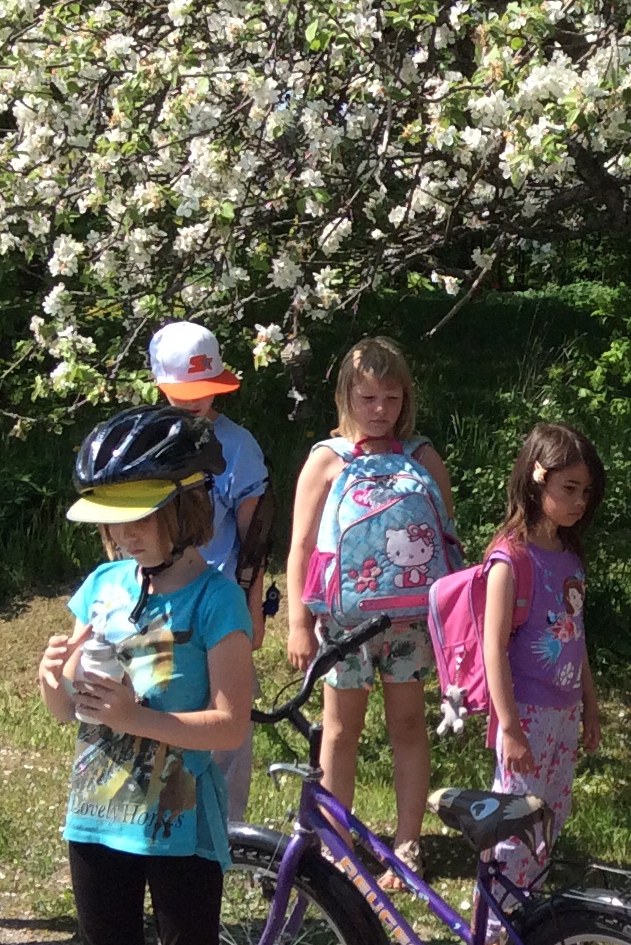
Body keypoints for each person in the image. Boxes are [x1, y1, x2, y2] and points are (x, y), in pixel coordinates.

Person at [36, 408, 256, 945]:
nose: (120, 536)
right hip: (97, 815)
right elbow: (69, 710)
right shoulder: (102, 588)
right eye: (110, 522)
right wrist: (53, 682)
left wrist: (137, 717)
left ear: (185, 508)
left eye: (136, 519)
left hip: (180, 826)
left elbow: (230, 723)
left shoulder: (216, 601)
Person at [282, 335, 456, 875]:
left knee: (409, 725)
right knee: (339, 730)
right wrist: (298, 622)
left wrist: (455, 622)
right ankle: (337, 844)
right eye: (368, 398)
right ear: (345, 396)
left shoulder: (422, 456)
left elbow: (447, 540)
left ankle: (408, 844)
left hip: (410, 621)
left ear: (407, 399)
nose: (380, 410)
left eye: (392, 399)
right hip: (343, 622)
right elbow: (301, 546)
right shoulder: (326, 459)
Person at [148, 322, 271, 823]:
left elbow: (254, 539)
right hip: (157, 604)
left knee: (225, 735)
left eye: (207, 388)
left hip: (217, 605)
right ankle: (161, 829)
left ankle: (226, 837)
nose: (197, 400)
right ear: (160, 384)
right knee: (158, 716)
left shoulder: (238, 446)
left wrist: (252, 611)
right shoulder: (146, 440)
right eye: (185, 391)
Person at [478, 421, 605, 889]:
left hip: (565, 712)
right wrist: (510, 728)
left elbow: (577, 637)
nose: (579, 501)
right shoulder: (510, 559)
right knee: (516, 816)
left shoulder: (570, 557)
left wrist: (589, 703)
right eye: (568, 488)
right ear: (537, 478)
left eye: (585, 491)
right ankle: (496, 918)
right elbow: (493, 648)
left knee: (553, 810)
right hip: (526, 713)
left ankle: (528, 903)